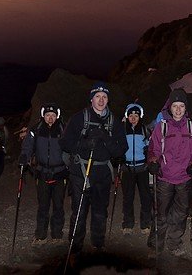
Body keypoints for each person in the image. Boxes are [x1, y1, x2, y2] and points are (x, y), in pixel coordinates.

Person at [59, 82, 127, 254]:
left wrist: (105, 138)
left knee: (100, 211)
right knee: (80, 210)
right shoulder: (79, 118)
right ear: (91, 99)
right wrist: (84, 144)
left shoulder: (114, 121)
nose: (101, 100)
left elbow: (122, 148)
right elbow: (65, 142)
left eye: (104, 97)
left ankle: (98, 244)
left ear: (108, 100)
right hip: (80, 172)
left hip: (103, 173)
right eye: (97, 96)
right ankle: (75, 247)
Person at [146, 88, 192, 256]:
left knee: (180, 213)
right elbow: (152, 149)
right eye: (175, 106)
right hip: (165, 177)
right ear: (169, 108)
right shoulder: (161, 127)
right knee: (160, 212)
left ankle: (174, 243)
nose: (178, 110)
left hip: (184, 178)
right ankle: (157, 243)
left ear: (186, 108)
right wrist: (153, 162)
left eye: (181, 106)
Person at [19, 103, 68, 245]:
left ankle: (57, 235)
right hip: (42, 173)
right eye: (48, 115)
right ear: (43, 116)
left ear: (57, 116)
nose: (50, 118)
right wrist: (24, 156)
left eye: (53, 115)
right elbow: (28, 145)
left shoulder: (63, 129)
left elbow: (72, 145)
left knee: (58, 205)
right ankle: (41, 236)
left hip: (60, 173)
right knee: (43, 206)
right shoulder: (36, 129)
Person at [120, 103, 153, 235]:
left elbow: (151, 146)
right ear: (127, 116)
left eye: (136, 115)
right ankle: (128, 223)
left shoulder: (145, 130)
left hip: (142, 168)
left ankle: (145, 223)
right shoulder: (122, 130)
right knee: (128, 197)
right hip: (127, 168)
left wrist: (148, 153)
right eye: (131, 115)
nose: (133, 118)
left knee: (145, 197)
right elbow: (117, 146)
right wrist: (118, 156)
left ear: (140, 117)